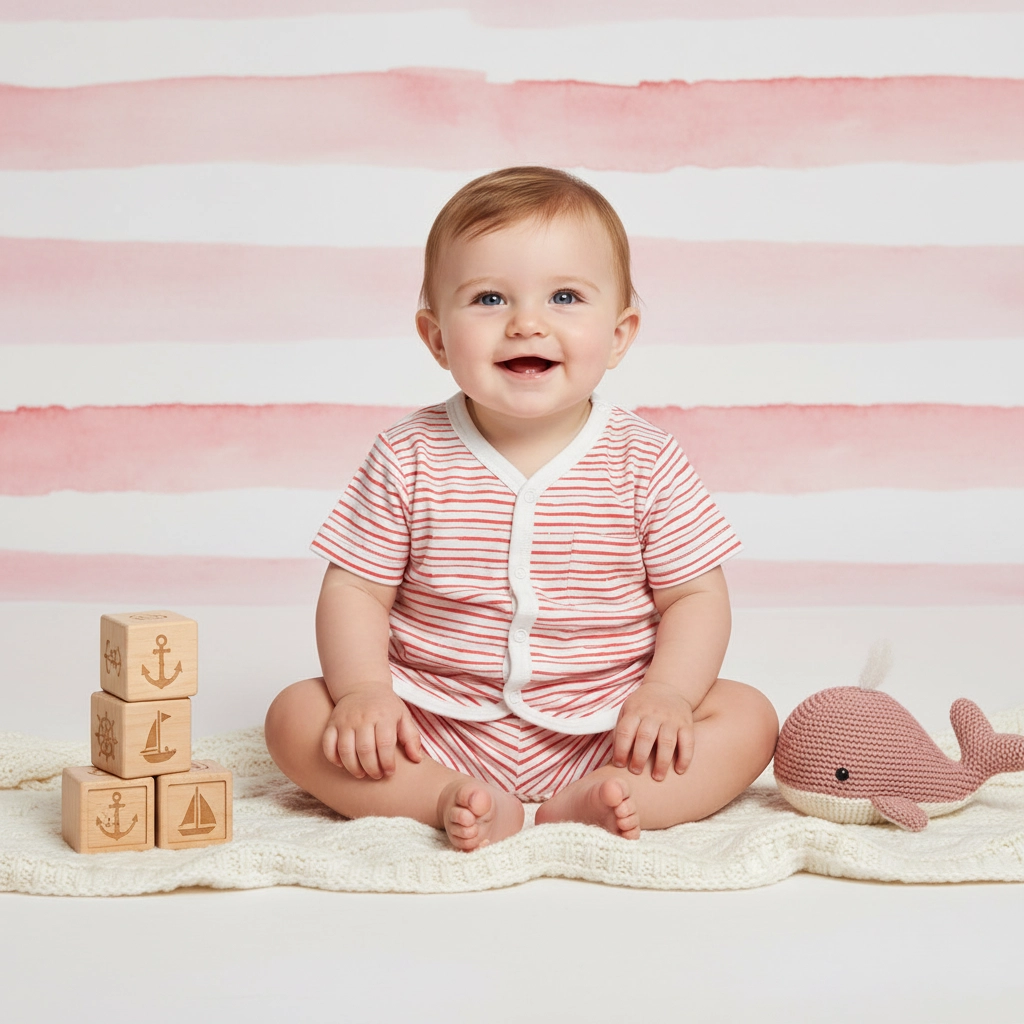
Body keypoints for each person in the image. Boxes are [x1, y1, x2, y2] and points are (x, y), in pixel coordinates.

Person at [265, 166, 778, 851]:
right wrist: (363, 693)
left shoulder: (646, 460)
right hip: (429, 722)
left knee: (748, 716)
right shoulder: (406, 455)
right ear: (437, 337)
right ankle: (442, 796)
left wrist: (669, 697)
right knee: (296, 715)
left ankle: (610, 798)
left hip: (610, 724)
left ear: (621, 334)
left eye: (565, 296)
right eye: (488, 298)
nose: (526, 322)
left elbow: (694, 597)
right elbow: (357, 588)